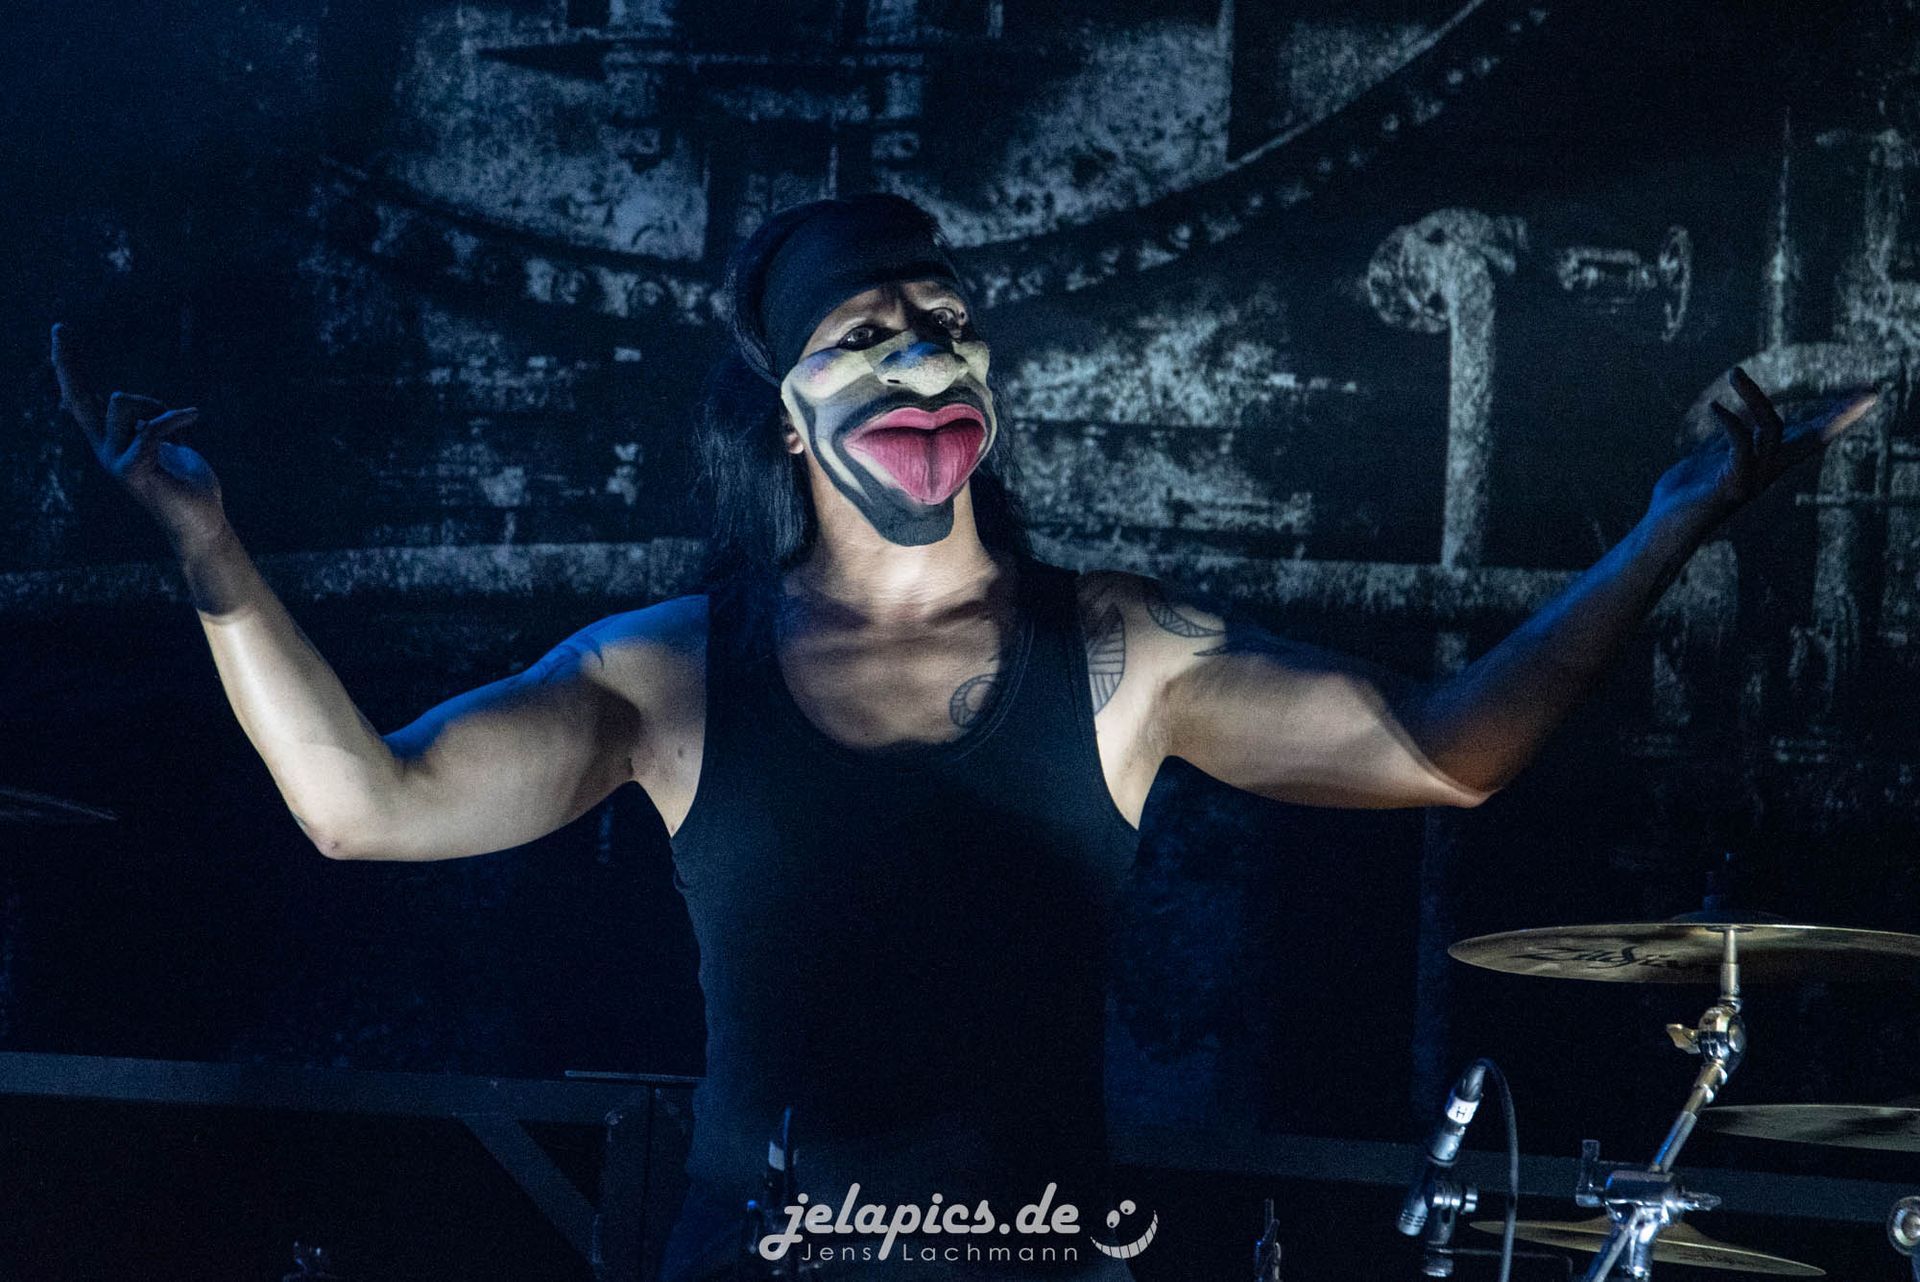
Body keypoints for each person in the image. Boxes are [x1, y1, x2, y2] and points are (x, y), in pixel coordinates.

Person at [49, 192, 1877, 1281]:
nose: (926, 354)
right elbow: (365, 806)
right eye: (868, 332)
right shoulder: (672, 674)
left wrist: (1669, 529)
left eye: (949, 322)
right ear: (789, 416)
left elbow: (1445, 753)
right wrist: (212, 551)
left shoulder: (1123, 655)